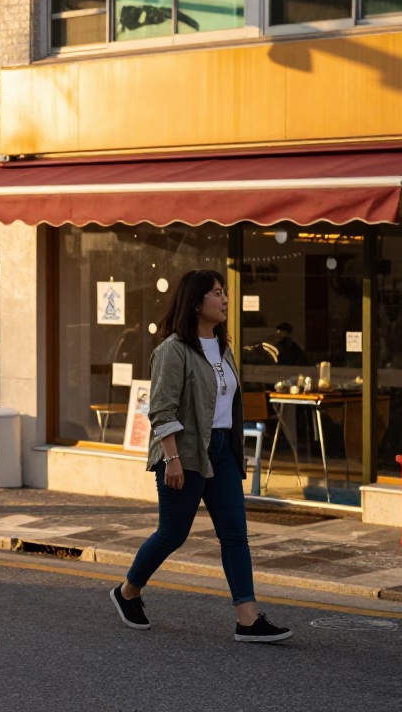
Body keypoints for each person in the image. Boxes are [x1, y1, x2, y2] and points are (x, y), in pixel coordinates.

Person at [110, 269, 292, 643]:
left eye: (224, 293)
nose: (224, 300)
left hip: (223, 451)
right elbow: (161, 410)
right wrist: (172, 459)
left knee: (235, 534)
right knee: (172, 534)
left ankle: (248, 619)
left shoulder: (223, 348)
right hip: (186, 453)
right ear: (195, 303)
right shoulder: (173, 350)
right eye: (216, 293)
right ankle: (127, 592)